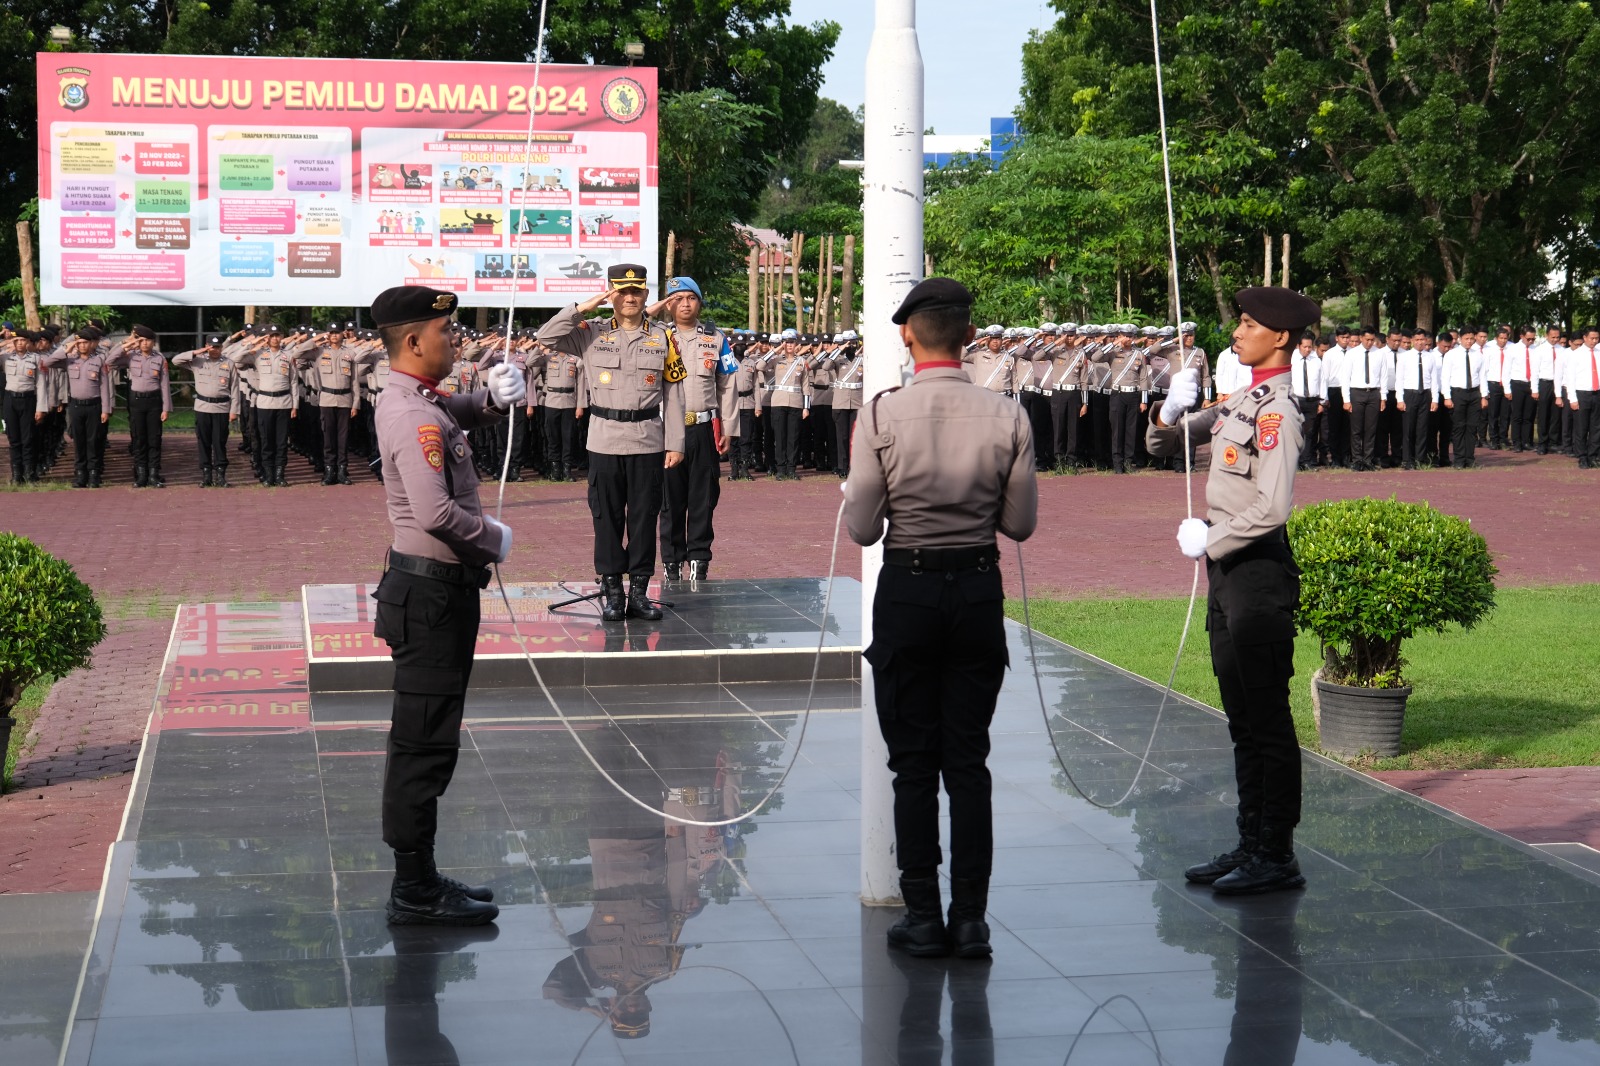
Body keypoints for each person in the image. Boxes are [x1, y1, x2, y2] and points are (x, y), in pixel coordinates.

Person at [845, 277, 1039, 959]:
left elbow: (864, 531)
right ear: (968, 336)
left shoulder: (878, 417)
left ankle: (923, 914)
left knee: (913, 767)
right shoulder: (1008, 415)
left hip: (909, 589)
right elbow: (1020, 524)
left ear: (907, 335)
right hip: (977, 591)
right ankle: (973, 918)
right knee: (968, 763)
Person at [1147, 284, 1317, 896]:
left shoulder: (1277, 412)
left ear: (1281, 338)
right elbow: (1165, 443)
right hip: (1227, 571)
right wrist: (1170, 411)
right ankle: (1251, 840)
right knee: (1241, 715)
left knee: (1267, 716)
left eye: (1249, 324)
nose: (1237, 332)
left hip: (1257, 572)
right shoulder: (1242, 401)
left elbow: (1272, 507)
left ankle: (1276, 852)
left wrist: (1211, 541)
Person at [369, 284, 524, 926]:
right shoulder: (411, 415)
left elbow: (451, 410)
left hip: (437, 593)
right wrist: (495, 540)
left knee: (431, 737)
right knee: (423, 743)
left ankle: (422, 874)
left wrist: (490, 399)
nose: (454, 340)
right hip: (431, 595)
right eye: (446, 332)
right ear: (413, 341)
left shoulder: (417, 400)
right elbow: (435, 512)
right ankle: (413, 888)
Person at [536, 264, 687, 621]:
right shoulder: (590, 333)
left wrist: (676, 442)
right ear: (611, 295)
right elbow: (546, 336)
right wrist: (582, 309)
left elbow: (675, 392)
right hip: (603, 439)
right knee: (605, 519)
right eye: (621, 291)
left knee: (644, 519)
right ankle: (613, 593)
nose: (630, 297)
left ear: (646, 295)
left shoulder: (663, 337)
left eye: (636, 291)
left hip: (648, 440)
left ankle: (638, 592)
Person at [649, 276, 738, 581]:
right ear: (668, 304)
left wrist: (728, 427)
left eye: (691, 297)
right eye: (677, 298)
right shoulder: (656, 336)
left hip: (703, 429)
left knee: (703, 498)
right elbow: (627, 323)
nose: (685, 304)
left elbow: (727, 385)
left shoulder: (716, 338)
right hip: (667, 432)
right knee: (669, 501)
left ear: (699, 302)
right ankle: (671, 562)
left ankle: (700, 560)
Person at [41, 327, 113, 488]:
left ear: (91, 344)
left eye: (84, 343)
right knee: (78, 440)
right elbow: (48, 362)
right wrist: (69, 347)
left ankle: (93, 474)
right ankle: (81, 474)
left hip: (94, 405)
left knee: (93, 441)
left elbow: (104, 387)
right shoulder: (70, 359)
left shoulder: (99, 360)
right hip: (76, 406)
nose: (82, 346)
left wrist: (105, 409)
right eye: (79, 343)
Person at [174, 334, 239, 487]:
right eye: (211, 346)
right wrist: (198, 351)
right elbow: (175, 360)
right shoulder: (197, 361)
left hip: (222, 408)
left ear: (221, 348)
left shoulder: (229, 363)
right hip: (203, 407)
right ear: (206, 346)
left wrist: (234, 410)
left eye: (217, 347)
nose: (214, 350)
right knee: (203, 442)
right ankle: (206, 475)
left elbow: (235, 389)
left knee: (219, 442)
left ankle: (221, 475)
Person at [3, 330, 47, 483]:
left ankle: (29, 473)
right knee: (13, 438)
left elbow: (41, 385)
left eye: (22, 340)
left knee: (28, 439)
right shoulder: (5, 357)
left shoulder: (36, 359)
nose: (19, 343)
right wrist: (3, 341)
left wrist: (41, 408)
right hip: (10, 400)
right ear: (12, 342)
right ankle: (17, 474)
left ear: (28, 342)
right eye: (16, 340)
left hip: (28, 400)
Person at [1440, 330, 1489, 468]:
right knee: (1459, 427)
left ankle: (1470, 458)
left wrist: (1484, 396)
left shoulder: (1478, 355)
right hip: (1458, 393)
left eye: (1471, 338)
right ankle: (1459, 459)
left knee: (1472, 427)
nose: (1469, 341)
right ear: (1460, 339)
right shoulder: (1451, 355)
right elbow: (1445, 377)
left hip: (1474, 393)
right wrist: (1447, 397)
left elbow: (1482, 377)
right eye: (1466, 338)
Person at [1566, 326, 1600, 469]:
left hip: (1597, 393)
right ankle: (1582, 456)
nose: (1594, 341)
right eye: (1592, 338)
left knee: (1596, 427)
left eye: (1597, 338)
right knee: (1581, 427)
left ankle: (1593, 455)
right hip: (1582, 393)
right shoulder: (1576, 354)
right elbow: (1570, 378)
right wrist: (1572, 398)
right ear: (1585, 338)